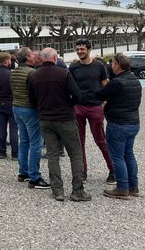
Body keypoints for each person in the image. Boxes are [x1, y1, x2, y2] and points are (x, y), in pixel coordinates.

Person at [28, 47, 90, 202]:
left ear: (42, 59)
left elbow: (32, 100)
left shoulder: (34, 76)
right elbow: (77, 95)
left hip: (46, 119)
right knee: (75, 153)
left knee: (53, 155)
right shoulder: (64, 73)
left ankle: (57, 190)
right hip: (65, 118)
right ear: (55, 58)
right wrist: (68, 104)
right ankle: (77, 190)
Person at [95, 54, 142, 200]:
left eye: (113, 63)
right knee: (129, 154)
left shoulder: (117, 82)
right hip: (133, 122)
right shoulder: (135, 80)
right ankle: (133, 186)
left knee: (117, 157)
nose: (111, 66)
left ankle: (122, 188)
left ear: (117, 65)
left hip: (118, 123)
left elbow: (100, 95)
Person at [69, 38, 115, 184]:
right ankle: (83, 171)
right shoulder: (73, 68)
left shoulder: (99, 66)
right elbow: (70, 87)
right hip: (79, 107)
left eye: (82, 49)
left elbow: (105, 85)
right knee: (79, 141)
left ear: (89, 49)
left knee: (100, 140)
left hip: (95, 107)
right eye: (77, 49)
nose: (79, 51)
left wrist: (104, 102)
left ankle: (113, 169)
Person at [10, 47, 50, 189]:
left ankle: (23, 172)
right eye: (32, 54)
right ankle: (35, 176)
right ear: (27, 57)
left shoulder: (13, 73)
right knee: (36, 143)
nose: (35, 56)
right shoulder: (32, 73)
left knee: (24, 141)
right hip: (29, 109)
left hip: (17, 107)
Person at [0, 52, 19, 160]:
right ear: (7, 61)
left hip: (0, 103)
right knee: (14, 129)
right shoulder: (12, 74)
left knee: (1, 128)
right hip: (11, 102)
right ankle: (15, 154)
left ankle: (2, 152)